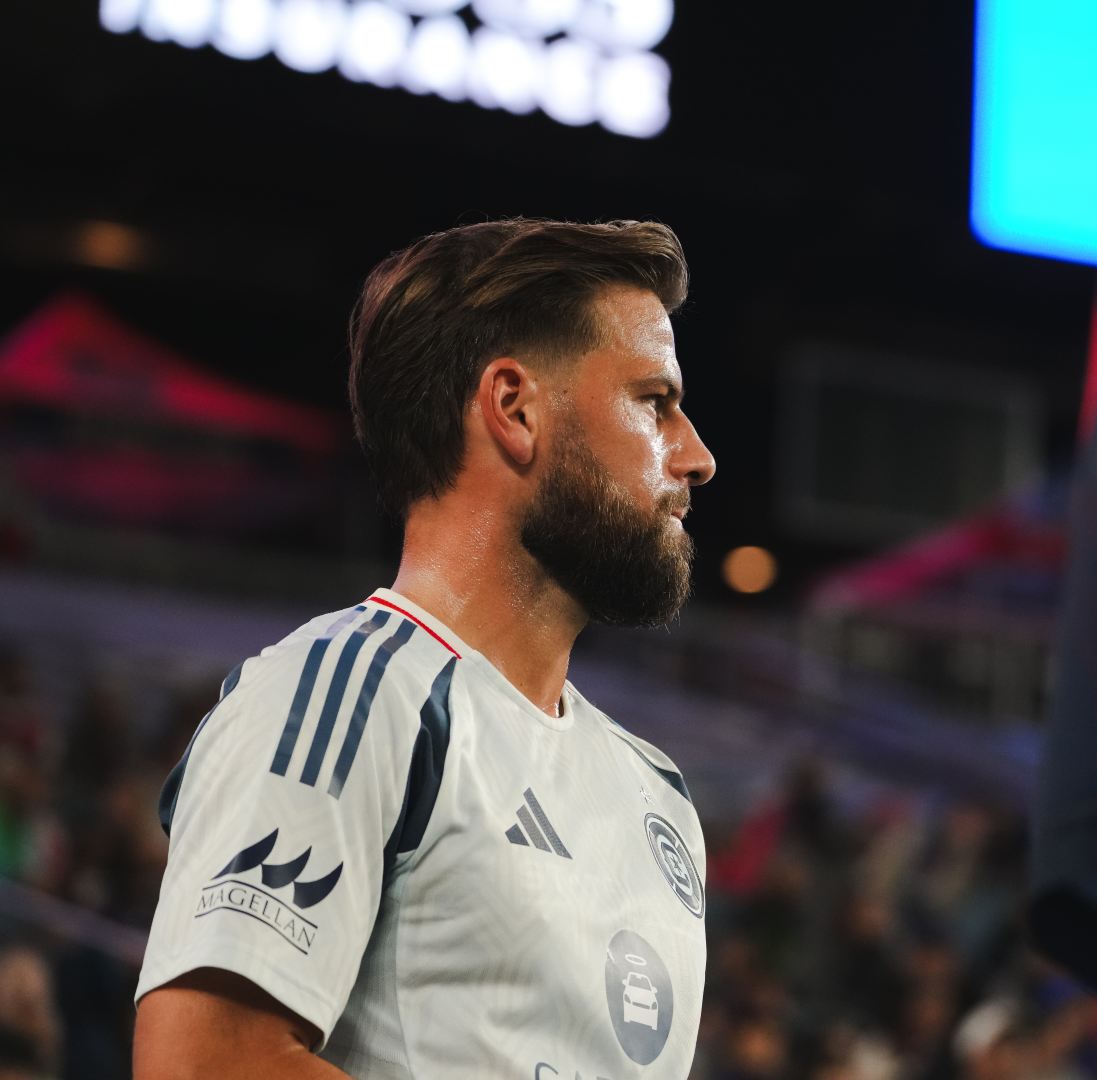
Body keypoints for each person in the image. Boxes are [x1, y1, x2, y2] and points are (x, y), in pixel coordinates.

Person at [132, 218, 717, 1079]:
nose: (696, 455)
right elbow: (208, 1063)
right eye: (653, 402)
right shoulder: (343, 697)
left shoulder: (658, 792)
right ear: (514, 409)